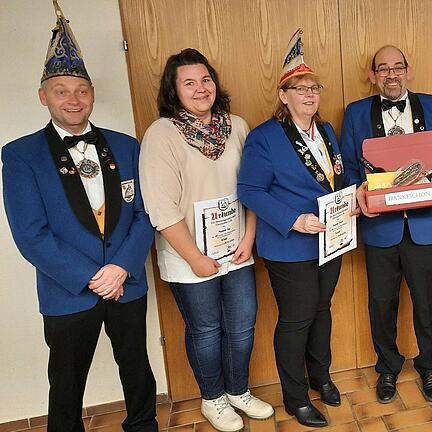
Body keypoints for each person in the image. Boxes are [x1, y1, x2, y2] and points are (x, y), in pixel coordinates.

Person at [2, 3, 157, 430]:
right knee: (67, 381)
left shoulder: (126, 146)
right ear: (43, 96)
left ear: (92, 94)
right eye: (61, 90)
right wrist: (94, 275)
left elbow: (145, 215)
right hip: (68, 289)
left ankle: (143, 426)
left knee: (137, 368)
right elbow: (31, 234)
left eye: (81, 90)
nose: (73, 99)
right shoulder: (19, 155)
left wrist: (121, 268)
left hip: (127, 283)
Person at [139, 48, 273, 431]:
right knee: (206, 329)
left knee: (243, 325)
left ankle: (238, 392)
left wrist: (250, 236)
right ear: (174, 90)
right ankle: (212, 399)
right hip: (188, 256)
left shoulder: (238, 126)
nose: (201, 89)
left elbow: (253, 187)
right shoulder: (161, 134)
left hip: (237, 249)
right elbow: (161, 207)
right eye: (189, 82)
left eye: (206, 80)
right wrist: (195, 257)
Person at [340, 45, 432, 403]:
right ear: (372, 76)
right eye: (383, 69)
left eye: (397, 67)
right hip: (381, 228)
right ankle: (388, 368)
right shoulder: (354, 113)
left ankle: (430, 366)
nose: (391, 75)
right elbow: (349, 166)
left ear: (408, 71)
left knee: (428, 302)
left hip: (426, 225)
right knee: (381, 304)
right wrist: (359, 191)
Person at [238, 29, 346, 428]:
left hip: (329, 240)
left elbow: (336, 176)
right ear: (284, 95)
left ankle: (321, 376)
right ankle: (295, 397)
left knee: (322, 312)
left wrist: (351, 203)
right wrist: (293, 219)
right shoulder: (265, 137)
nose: (309, 94)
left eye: (313, 87)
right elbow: (249, 190)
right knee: (297, 317)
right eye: (299, 88)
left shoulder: (328, 131)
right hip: (289, 245)